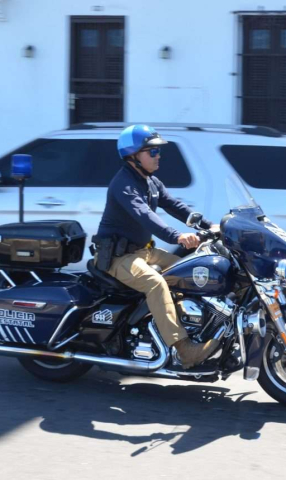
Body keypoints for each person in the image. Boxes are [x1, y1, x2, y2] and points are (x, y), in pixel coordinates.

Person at [93, 124, 218, 369]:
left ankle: (196, 325)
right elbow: (145, 215)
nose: (158, 156)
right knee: (156, 282)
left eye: (158, 151)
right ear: (133, 156)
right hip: (118, 258)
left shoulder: (150, 181)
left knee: (191, 271)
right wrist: (178, 237)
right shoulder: (124, 184)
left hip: (142, 252)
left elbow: (176, 206)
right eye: (152, 152)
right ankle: (184, 350)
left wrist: (211, 225)